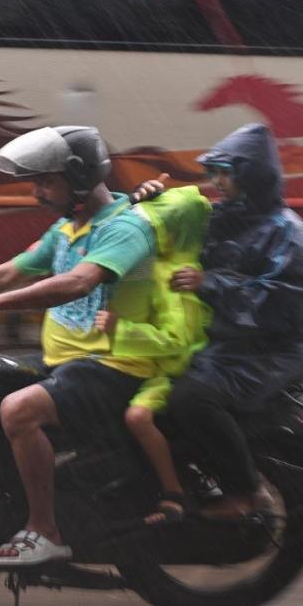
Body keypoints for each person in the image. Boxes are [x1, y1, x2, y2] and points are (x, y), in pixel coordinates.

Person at [0, 126, 161, 567]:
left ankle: (45, 530)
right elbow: (7, 273)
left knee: (19, 410)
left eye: (45, 181)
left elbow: (77, 283)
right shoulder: (67, 229)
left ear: (78, 178)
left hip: (115, 363)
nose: (37, 192)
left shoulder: (126, 226)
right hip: (65, 361)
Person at [142, 123, 303, 517]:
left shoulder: (287, 232)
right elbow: (172, 228)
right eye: (216, 173)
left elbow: (289, 303)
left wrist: (210, 284)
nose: (219, 182)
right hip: (219, 342)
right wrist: (145, 202)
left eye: (228, 172)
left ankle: (246, 491)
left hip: (265, 352)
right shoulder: (226, 218)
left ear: (253, 176)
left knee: (192, 399)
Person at [92, 181, 212, 525]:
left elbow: (175, 341)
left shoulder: (176, 277)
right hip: (145, 360)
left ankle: (173, 492)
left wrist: (121, 330)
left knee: (137, 417)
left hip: (171, 370)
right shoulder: (156, 262)